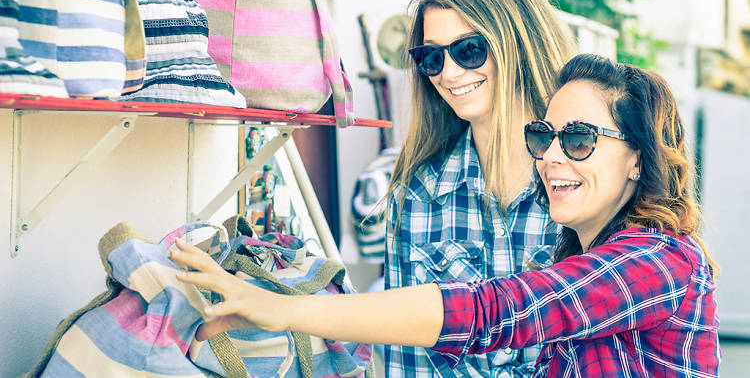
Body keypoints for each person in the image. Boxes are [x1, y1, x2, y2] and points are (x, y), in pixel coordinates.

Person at [171, 54, 722, 377]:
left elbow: (492, 313)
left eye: (579, 139)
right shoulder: (589, 254)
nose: (552, 155)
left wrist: (283, 311)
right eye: (544, 134)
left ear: (638, 160)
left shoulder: (657, 260)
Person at [383, 0, 575, 376]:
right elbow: (406, 362)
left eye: (468, 49)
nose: (449, 72)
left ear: (516, 41)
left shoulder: (586, 180)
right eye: (431, 57)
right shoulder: (414, 197)